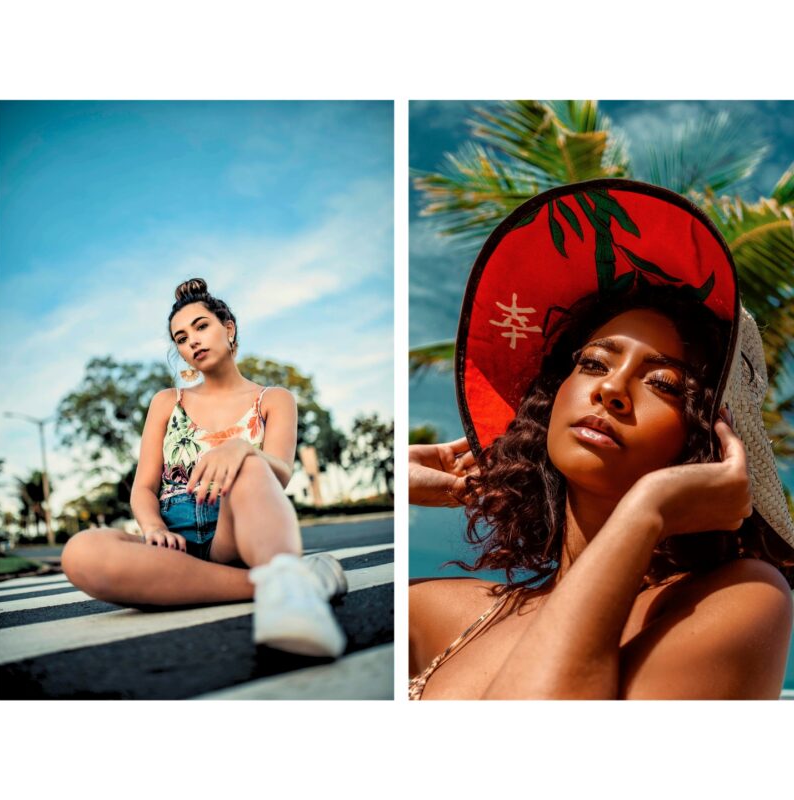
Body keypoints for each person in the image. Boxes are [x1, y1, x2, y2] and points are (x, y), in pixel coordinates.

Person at [408, 179, 794, 699]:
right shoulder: (445, 611)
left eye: (663, 384)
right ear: (551, 399)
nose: (612, 388)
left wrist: (647, 512)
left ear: (708, 440)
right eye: (593, 363)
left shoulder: (739, 600)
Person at [61, 278, 349, 658]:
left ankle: (288, 595)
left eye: (201, 326)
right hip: (172, 545)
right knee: (81, 552)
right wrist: (153, 528)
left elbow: (280, 471)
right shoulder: (166, 402)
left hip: (234, 534)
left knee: (249, 463)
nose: (192, 341)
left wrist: (240, 449)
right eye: (181, 338)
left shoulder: (274, 399)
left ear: (228, 328)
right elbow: (144, 488)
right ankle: (292, 579)